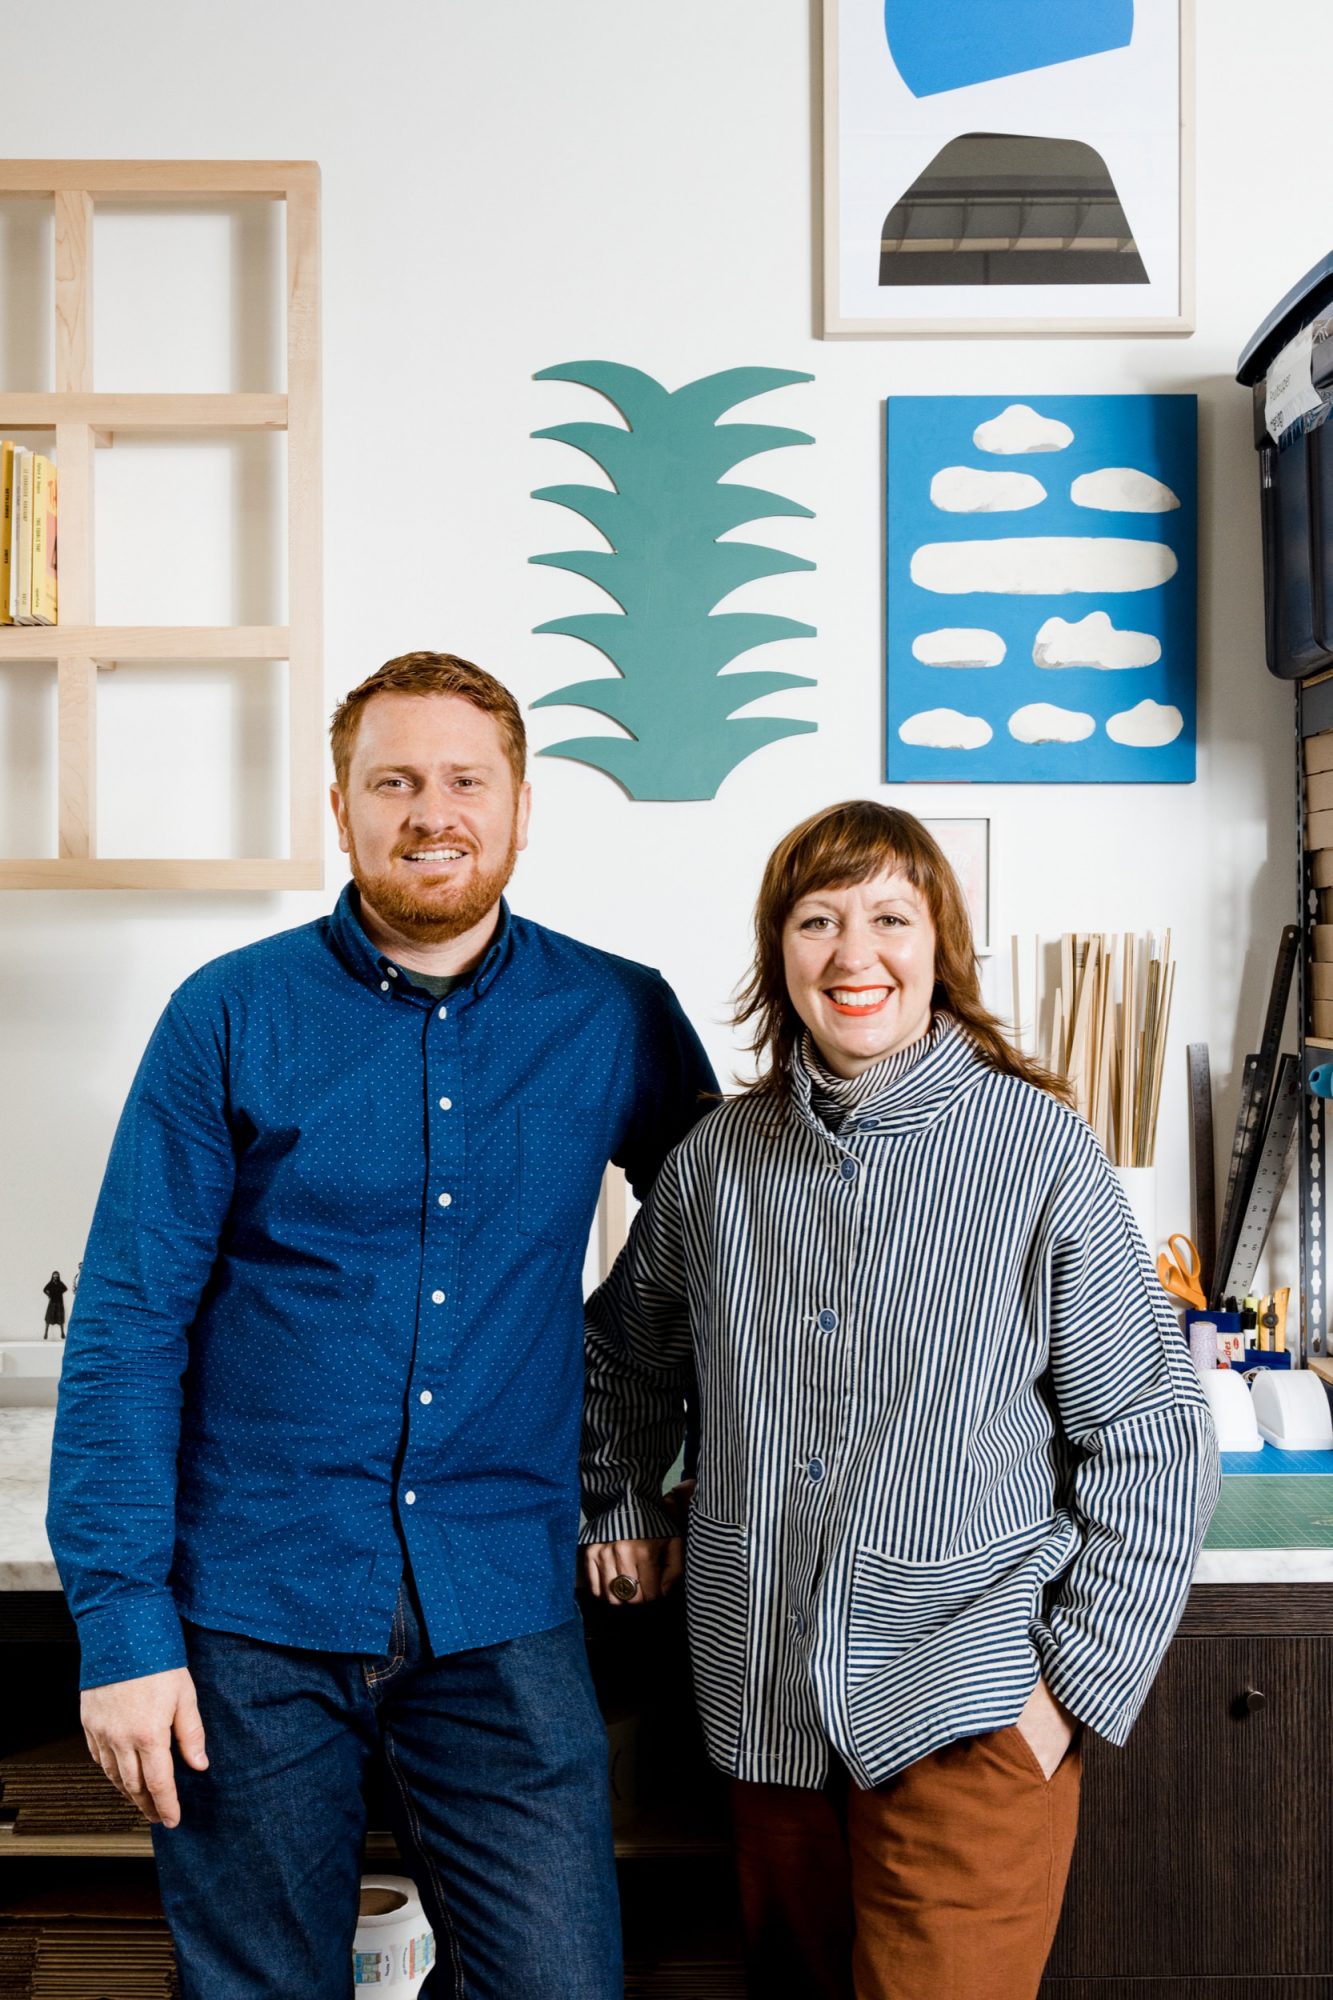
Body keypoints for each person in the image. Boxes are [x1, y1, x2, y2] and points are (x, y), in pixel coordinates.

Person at [47, 651, 716, 2000]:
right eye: (394, 781)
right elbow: (125, 1329)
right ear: (339, 808)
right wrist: (122, 1630)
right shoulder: (226, 1015)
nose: (432, 812)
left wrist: (628, 1470)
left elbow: (731, 1248)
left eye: (465, 780)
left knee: (558, 1983)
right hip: (253, 1600)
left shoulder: (615, 1013)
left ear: (520, 808)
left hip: (500, 1597)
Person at [579, 800, 1220, 2000]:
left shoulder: (1037, 1149)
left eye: (888, 917)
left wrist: (1065, 1692)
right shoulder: (714, 1164)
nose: (852, 953)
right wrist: (621, 1498)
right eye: (816, 921)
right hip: (764, 1708)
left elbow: (1152, 1435)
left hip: (967, 1712)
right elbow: (617, 1355)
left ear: (939, 947)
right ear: (778, 953)